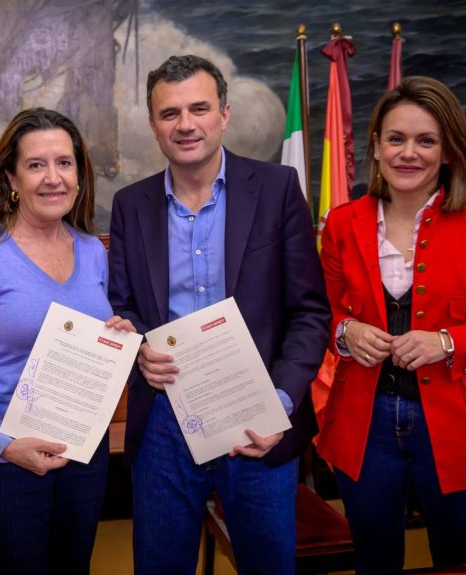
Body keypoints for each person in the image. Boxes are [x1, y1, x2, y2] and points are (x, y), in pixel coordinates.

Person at [108, 54, 330, 574]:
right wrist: (139, 347)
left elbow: (309, 312)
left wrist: (279, 403)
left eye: (199, 108)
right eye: (170, 113)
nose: (185, 124)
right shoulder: (130, 205)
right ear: (153, 125)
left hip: (259, 415)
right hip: (163, 419)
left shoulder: (277, 189)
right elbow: (123, 306)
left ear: (224, 114)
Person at [317, 76, 466, 572]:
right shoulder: (342, 223)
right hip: (363, 426)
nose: (408, 153)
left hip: (460, 423)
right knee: (374, 561)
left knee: (463, 561)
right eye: (396, 139)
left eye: (426, 141)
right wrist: (345, 332)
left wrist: (447, 342)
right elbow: (320, 315)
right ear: (376, 146)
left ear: (448, 151)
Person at [0, 108, 135, 574]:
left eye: (64, 163)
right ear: (11, 178)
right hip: (6, 457)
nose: (54, 178)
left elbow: (97, 343)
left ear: (79, 175)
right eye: (36, 165)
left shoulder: (93, 251)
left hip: (82, 454)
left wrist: (119, 337)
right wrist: (4, 443)